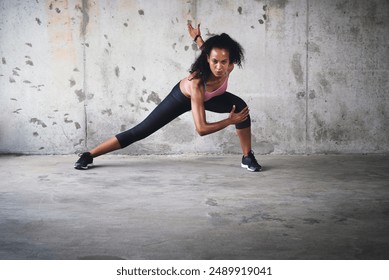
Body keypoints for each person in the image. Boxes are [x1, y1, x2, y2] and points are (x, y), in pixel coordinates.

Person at [74, 23, 261, 172]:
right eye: (214, 62)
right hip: (182, 98)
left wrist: (198, 38)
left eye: (224, 62)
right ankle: (89, 155)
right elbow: (201, 129)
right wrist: (229, 120)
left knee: (241, 108)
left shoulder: (228, 66)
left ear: (230, 62)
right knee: (140, 131)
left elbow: (207, 49)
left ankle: (247, 156)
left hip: (210, 97)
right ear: (207, 60)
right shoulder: (197, 82)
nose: (219, 67)